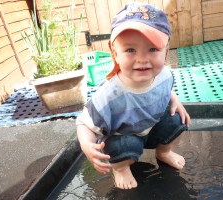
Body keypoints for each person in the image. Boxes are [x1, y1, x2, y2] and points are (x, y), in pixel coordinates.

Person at [76, 2, 190, 190]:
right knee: (123, 145)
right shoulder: (110, 94)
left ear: (166, 51)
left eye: (153, 49)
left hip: (150, 128)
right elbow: (84, 122)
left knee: (178, 120)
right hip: (123, 136)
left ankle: (164, 152)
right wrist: (87, 146)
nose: (142, 59)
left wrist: (174, 100)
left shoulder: (164, 75)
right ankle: (120, 168)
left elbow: (165, 89)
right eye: (130, 50)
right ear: (115, 53)